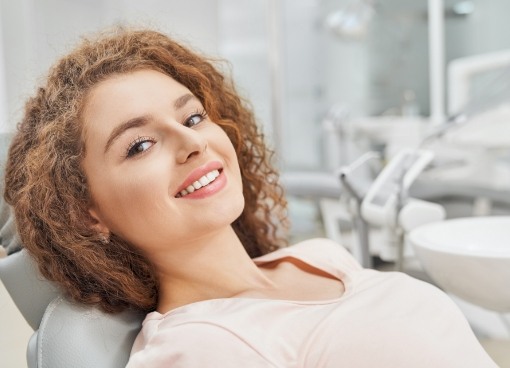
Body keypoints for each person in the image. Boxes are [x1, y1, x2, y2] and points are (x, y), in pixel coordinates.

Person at [4, 28, 497, 368]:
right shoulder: (198, 347)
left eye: (192, 117)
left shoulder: (316, 257)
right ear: (86, 213)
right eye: (140, 145)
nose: (193, 141)